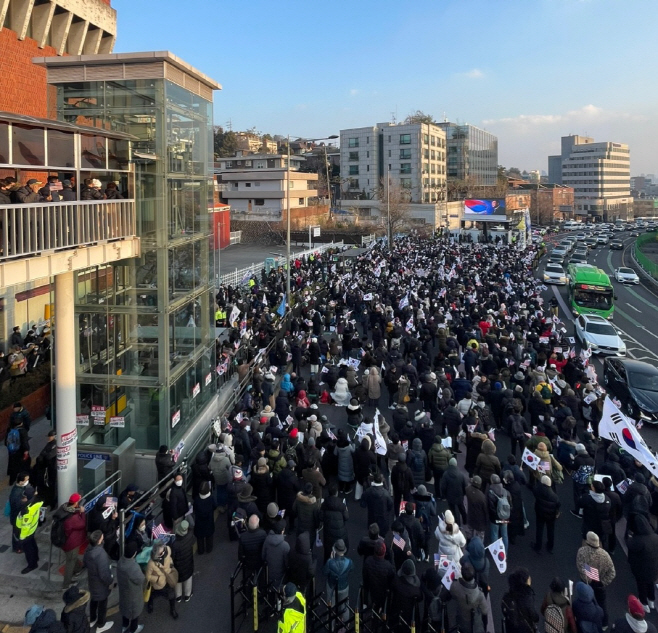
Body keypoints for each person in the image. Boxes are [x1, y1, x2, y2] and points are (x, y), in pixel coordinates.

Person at [576, 532, 615, 628]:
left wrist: (587, 577)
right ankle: (604, 624)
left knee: (584, 602)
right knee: (602, 604)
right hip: (599, 585)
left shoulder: (582, 551)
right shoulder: (605, 555)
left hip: (586, 582)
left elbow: (580, 566)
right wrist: (603, 582)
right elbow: (612, 573)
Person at [83, 530, 114, 633]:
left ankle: (92, 619)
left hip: (92, 582)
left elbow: (85, 564)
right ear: (100, 540)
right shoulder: (101, 554)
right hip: (101, 585)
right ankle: (101, 624)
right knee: (102, 603)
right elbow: (104, 574)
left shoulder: (88, 551)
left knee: (94, 600)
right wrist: (110, 581)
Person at [54, 493, 87, 589]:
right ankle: (66, 584)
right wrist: (82, 512)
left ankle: (78, 569)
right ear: (76, 503)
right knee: (70, 562)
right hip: (71, 543)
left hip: (63, 540)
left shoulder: (64, 508)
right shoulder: (73, 518)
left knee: (72, 557)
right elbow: (82, 524)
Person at [627, 515, 658, 612]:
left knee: (641, 584)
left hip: (641, 567)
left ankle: (643, 602)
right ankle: (651, 600)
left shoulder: (639, 540)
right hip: (654, 565)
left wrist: (630, 536)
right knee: (650, 582)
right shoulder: (655, 537)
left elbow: (630, 545)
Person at [450, 562, 488, 633]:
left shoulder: (455, 586)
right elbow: (485, 611)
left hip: (461, 620)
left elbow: (452, 594)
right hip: (475, 625)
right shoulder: (479, 595)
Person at [145, 541, 178, 620]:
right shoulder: (151, 563)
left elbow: (169, 558)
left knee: (172, 595)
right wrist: (157, 579)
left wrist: (171, 564)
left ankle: (172, 610)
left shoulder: (168, 549)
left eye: (164, 551)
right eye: (160, 553)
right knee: (154, 594)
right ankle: (150, 603)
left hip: (168, 578)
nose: (163, 553)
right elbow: (148, 576)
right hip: (158, 584)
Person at [117, 541, 145, 633]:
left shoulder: (121, 561)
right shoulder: (133, 567)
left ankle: (124, 626)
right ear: (134, 553)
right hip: (133, 596)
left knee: (125, 611)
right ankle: (133, 629)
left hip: (123, 593)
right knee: (134, 614)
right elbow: (141, 579)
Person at [323, 539, 353, 625]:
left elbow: (324, 572)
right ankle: (346, 624)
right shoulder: (349, 562)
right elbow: (352, 569)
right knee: (345, 607)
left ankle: (330, 626)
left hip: (332, 587)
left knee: (330, 606)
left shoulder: (330, 562)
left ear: (335, 550)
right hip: (344, 587)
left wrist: (331, 559)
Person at [502, 567, 540, 633]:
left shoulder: (506, 597)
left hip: (511, 629)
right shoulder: (527, 598)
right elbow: (535, 617)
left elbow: (505, 612)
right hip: (525, 630)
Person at [362, 539, 395, 616]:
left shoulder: (368, 561)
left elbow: (365, 577)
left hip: (372, 588)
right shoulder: (388, 566)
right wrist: (392, 557)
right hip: (383, 590)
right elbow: (393, 575)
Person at [390, 558, 423, 630]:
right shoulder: (416, 590)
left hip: (396, 614)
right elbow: (420, 598)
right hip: (410, 616)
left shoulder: (395, 582)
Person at [16, 487, 43, 574]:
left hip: (27, 532)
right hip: (32, 529)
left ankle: (32, 564)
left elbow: (25, 526)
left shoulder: (27, 510)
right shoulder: (36, 502)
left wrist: (22, 538)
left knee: (28, 549)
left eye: (24, 497)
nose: (23, 498)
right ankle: (36, 557)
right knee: (33, 544)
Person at [321, 483, 349, 562]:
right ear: (336, 493)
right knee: (340, 549)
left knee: (327, 550)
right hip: (340, 532)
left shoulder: (324, 504)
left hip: (328, 532)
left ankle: (326, 564)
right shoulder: (342, 505)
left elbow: (320, 517)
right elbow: (346, 517)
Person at [533, 475, 561, 553]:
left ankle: (538, 546)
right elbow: (558, 505)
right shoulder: (554, 496)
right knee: (551, 531)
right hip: (551, 516)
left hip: (540, 513)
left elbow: (534, 490)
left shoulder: (538, 490)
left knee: (539, 529)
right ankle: (550, 547)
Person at [360, 471, 393, 537]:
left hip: (372, 514)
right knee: (383, 533)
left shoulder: (368, 491)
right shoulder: (386, 493)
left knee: (372, 532)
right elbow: (390, 504)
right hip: (383, 516)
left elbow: (362, 503)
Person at [171, 520, 195, 603]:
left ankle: (178, 596)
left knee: (178, 580)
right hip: (188, 563)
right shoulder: (190, 536)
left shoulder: (175, 544)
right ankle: (187, 595)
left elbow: (172, 556)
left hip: (178, 566)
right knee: (188, 578)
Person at [487, 473, 511, 553]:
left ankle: (496, 553)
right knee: (505, 535)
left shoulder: (490, 493)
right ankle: (505, 553)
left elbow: (491, 509)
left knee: (494, 535)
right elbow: (511, 505)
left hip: (495, 519)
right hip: (505, 518)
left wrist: (495, 517)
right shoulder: (506, 492)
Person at [9, 471, 32, 552]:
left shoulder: (20, 488)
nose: (27, 481)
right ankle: (17, 548)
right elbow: (17, 505)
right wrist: (25, 501)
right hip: (16, 517)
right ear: (21, 481)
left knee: (18, 531)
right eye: (26, 480)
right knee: (16, 532)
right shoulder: (16, 493)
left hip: (18, 516)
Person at [239, 515, 267, 581]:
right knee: (261, 579)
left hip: (248, 563)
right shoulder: (263, 534)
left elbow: (240, 554)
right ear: (258, 525)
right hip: (260, 562)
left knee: (248, 581)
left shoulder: (243, 537)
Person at [262, 522, 289, 590]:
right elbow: (287, 564)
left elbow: (263, 556)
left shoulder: (267, 539)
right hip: (280, 575)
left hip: (268, 573)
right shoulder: (285, 546)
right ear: (282, 531)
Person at [34, 430, 57, 510]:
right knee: (48, 485)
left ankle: (52, 502)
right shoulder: (49, 444)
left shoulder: (55, 445)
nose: (48, 438)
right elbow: (41, 454)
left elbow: (48, 456)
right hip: (48, 468)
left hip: (52, 469)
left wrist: (44, 455)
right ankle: (48, 501)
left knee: (52, 486)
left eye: (50, 436)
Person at [5, 415, 30, 485]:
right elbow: (25, 442)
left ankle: (11, 481)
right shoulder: (23, 431)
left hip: (12, 452)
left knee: (13, 467)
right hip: (21, 451)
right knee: (25, 465)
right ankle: (23, 480)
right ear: (21, 423)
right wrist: (26, 450)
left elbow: (6, 442)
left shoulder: (9, 430)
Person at [193, 480, 217, 554]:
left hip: (199, 522)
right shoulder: (211, 498)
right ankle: (209, 549)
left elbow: (194, 509)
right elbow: (215, 506)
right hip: (209, 521)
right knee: (209, 536)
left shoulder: (197, 499)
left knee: (200, 538)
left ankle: (201, 550)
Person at [465, 475, 488, 541]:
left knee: (469, 534)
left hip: (470, 516)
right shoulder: (482, 496)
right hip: (480, 521)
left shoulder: (467, 489)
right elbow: (485, 510)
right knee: (479, 538)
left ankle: (469, 546)